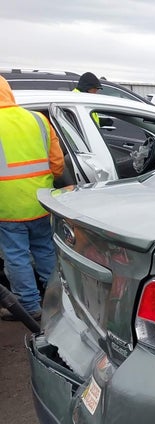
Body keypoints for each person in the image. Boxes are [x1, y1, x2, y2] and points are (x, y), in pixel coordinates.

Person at [0, 76, 65, 322]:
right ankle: (58, 300)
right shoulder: (38, 119)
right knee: (46, 251)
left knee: (17, 257)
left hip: (7, 207)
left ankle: (29, 306)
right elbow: (58, 165)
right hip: (41, 200)